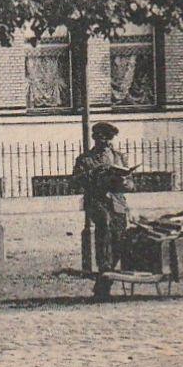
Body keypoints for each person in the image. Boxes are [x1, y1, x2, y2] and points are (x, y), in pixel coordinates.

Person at [73, 121, 132, 300]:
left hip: (118, 203)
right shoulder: (85, 159)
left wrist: (124, 183)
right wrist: (93, 175)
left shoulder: (120, 157)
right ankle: (104, 277)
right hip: (97, 202)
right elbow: (75, 183)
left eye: (107, 138)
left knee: (119, 241)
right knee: (104, 233)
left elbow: (131, 184)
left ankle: (103, 283)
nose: (104, 142)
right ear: (94, 138)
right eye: (100, 137)